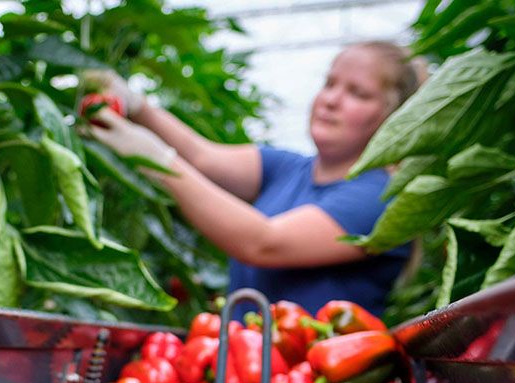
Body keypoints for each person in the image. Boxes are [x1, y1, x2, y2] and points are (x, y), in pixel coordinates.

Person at [84, 42, 426, 318]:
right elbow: (203, 157)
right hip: (246, 373)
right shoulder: (289, 169)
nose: (331, 100)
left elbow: (264, 243)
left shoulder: (379, 198)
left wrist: (158, 162)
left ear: (393, 119)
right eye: (330, 83)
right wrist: (137, 105)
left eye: (357, 93)